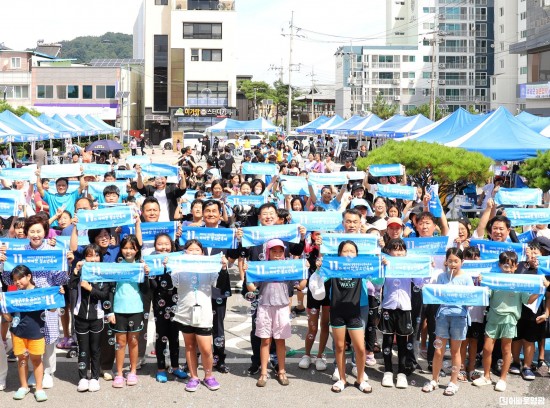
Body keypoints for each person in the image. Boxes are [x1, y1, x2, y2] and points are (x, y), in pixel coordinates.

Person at [473, 251, 548, 392]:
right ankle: (487, 377)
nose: (508, 268)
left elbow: (528, 299)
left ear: (515, 267)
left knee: (506, 350)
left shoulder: (520, 282)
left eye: (511, 266)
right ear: (500, 265)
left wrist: (541, 289)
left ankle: (502, 379)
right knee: (487, 348)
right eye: (505, 265)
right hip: (493, 318)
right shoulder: (494, 280)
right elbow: (486, 294)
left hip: (510, 319)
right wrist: (480, 281)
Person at [247, 239, 306, 387]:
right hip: (264, 307)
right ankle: (263, 373)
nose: (278, 254)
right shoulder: (262, 267)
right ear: (268, 253)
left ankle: (282, 371)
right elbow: (252, 288)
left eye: (280, 251)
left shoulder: (288, 267)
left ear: (284, 252)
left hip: (282, 307)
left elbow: (300, 286)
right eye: (274, 251)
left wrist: (304, 271)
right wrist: (248, 273)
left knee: (280, 341)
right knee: (265, 340)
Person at [171, 239, 225, 392]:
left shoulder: (209, 268)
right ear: (184, 252)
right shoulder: (178, 268)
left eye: (197, 250)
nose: (194, 253)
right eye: (190, 250)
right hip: (185, 311)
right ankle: (193, 377)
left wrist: (223, 267)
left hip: (204, 313)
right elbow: (174, 285)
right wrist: (167, 265)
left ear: (203, 253)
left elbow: (218, 283)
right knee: (189, 346)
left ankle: (208, 376)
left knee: (206, 349)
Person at [422, 248, 473, 396]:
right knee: (438, 350)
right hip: (443, 316)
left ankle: (453, 382)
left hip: (459, 317)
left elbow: (471, 300)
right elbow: (437, 296)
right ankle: (434, 380)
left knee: (455, 351)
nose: (452, 264)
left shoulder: (466, 278)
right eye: (450, 261)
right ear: (445, 261)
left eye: (456, 261)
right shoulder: (442, 277)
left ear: (462, 262)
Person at [1, 265, 52, 402]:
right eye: (15, 279)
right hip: (18, 333)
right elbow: (9, 319)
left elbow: (52, 309)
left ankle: (39, 388)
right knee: (22, 360)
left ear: (29, 276)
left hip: (36, 332)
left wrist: (58, 293)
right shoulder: (12, 294)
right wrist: (4, 307)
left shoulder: (40, 292)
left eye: (20, 278)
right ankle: (23, 386)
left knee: (36, 360)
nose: (17, 282)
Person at [328, 240, 372, 393]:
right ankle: (342, 379)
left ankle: (360, 379)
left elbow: (378, 280)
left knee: (360, 347)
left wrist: (382, 266)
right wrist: (318, 267)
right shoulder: (332, 267)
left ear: (357, 255)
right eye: (345, 251)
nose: (348, 254)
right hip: (337, 311)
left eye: (352, 251)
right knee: (339, 347)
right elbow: (320, 279)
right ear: (339, 254)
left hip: (355, 311)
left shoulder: (361, 267)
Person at [379, 238, 422, 389]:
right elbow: (378, 284)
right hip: (388, 307)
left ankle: (402, 373)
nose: (399, 252)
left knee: (404, 342)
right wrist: (382, 268)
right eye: (395, 249)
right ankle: (388, 371)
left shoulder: (408, 265)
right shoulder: (384, 264)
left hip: (405, 308)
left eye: (402, 249)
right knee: (388, 341)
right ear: (389, 252)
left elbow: (419, 283)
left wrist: (427, 269)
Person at [69, 244, 111, 393]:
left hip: (97, 317)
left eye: (96, 255)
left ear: (100, 258)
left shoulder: (104, 273)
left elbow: (105, 295)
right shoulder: (80, 272)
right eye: (89, 255)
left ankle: (94, 378)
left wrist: (90, 288)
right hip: (80, 316)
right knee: (83, 349)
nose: (93, 259)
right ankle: (82, 378)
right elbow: (71, 285)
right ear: (84, 257)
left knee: (95, 349)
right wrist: (75, 270)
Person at [147, 234, 188, 383]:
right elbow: (152, 286)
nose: (163, 247)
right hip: (159, 302)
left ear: (171, 245)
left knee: (174, 336)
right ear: (154, 246)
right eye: (159, 244)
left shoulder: (177, 259)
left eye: (166, 244)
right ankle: (161, 368)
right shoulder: (151, 262)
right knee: (161, 335)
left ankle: (176, 367)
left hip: (176, 301)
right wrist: (149, 272)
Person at [109, 233, 148, 388]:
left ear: (137, 250)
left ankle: (132, 371)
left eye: (132, 248)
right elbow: (110, 290)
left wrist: (146, 274)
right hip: (118, 309)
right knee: (120, 342)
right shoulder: (116, 267)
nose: (128, 251)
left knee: (133, 341)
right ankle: (119, 373)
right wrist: (110, 311)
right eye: (125, 248)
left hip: (136, 309)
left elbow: (146, 290)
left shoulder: (141, 266)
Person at [298, 231, 330, 372]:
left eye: (322, 234)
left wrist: (324, 250)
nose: (319, 237)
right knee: (312, 326)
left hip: (329, 290)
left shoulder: (333, 249)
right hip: (313, 288)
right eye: (316, 234)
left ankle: (320, 355)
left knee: (325, 324)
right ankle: (307, 354)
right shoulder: (309, 250)